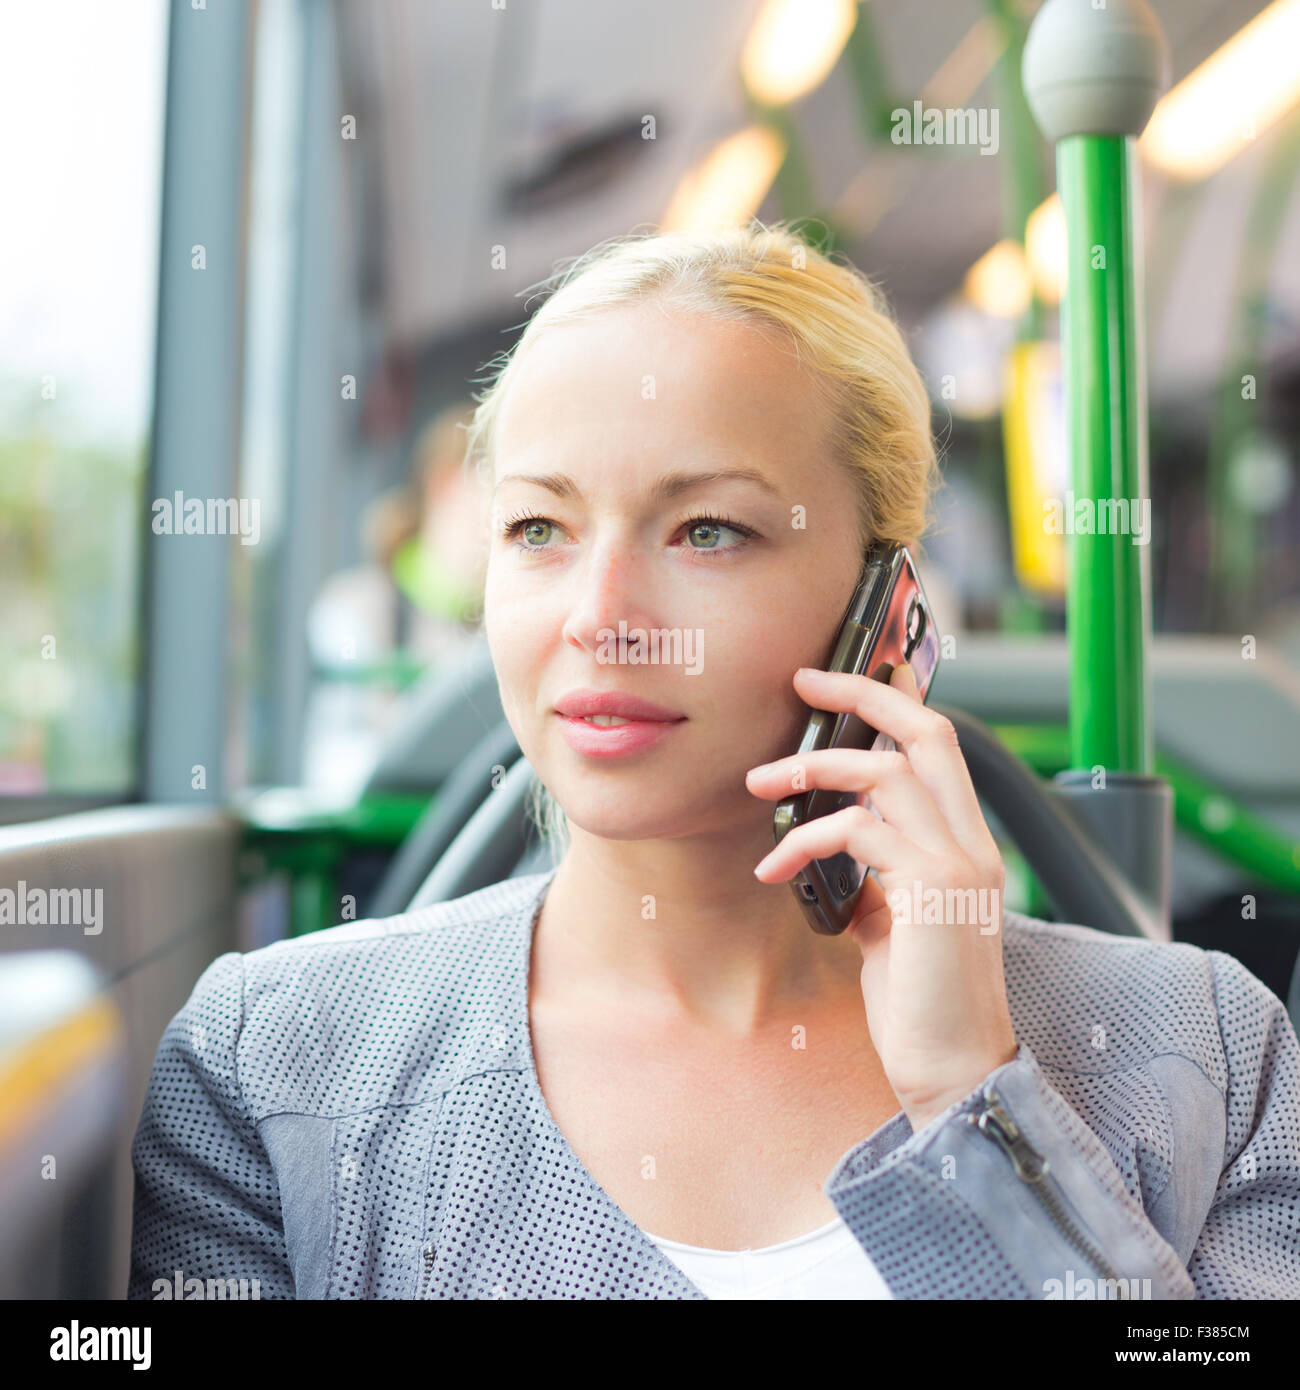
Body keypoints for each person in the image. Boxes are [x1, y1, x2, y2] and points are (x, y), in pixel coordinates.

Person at [128, 221, 1300, 1300]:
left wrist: (974, 1106)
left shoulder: (1199, 1055)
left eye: (709, 531)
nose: (601, 615)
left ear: (886, 613)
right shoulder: (278, 1067)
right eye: (539, 527)